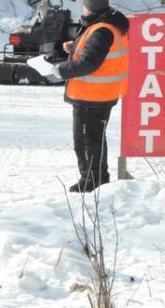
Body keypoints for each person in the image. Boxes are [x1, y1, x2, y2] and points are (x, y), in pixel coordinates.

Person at [53, 0, 129, 193]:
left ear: (91, 7)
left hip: (92, 96)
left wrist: (61, 70)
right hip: (101, 93)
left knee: (86, 140)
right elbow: (96, 54)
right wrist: (75, 46)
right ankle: (98, 177)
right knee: (95, 138)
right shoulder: (106, 24)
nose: (82, 8)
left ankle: (91, 180)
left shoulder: (101, 30)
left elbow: (89, 64)